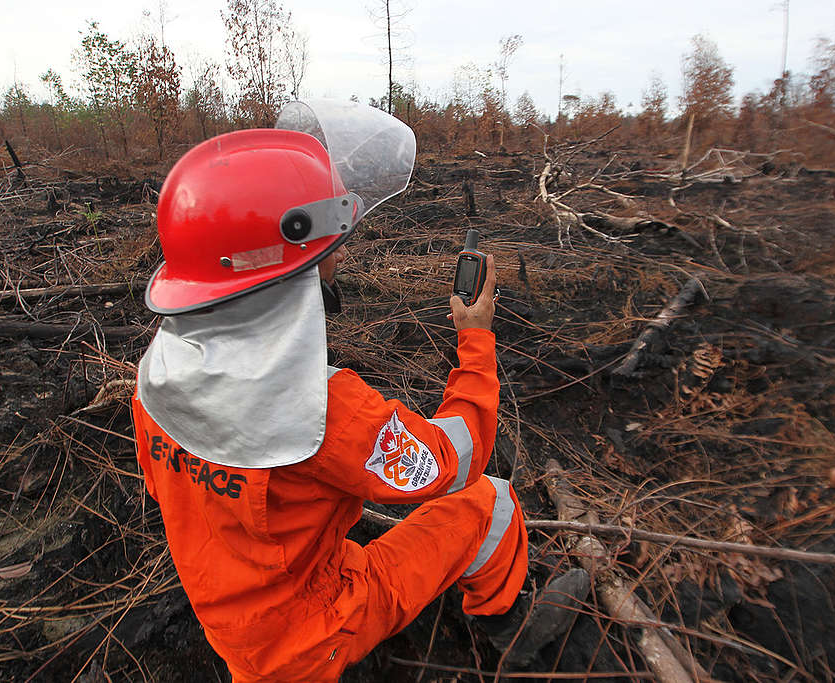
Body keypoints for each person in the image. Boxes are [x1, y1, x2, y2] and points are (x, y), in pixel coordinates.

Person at [131, 101, 586, 682]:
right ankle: (513, 633)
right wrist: (475, 338)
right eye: (327, 243)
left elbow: (176, 484)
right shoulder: (326, 413)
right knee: (492, 505)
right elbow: (454, 460)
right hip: (309, 635)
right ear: (285, 259)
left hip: (229, 620)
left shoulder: (157, 376)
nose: (338, 250)